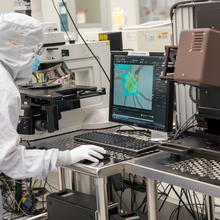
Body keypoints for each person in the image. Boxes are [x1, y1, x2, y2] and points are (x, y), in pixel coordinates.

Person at [0, 12, 106, 218]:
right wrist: (65, 156)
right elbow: (9, 160)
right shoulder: (4, 89)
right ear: (18, 49)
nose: (38, 58)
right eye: (35, 50)